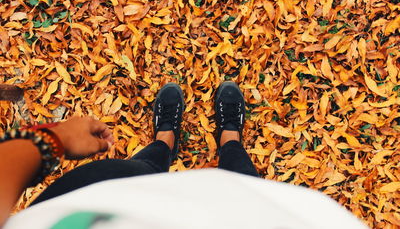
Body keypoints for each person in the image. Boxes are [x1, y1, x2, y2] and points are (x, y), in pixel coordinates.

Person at [0, 82, 367, 229]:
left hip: (92, 204)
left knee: (143, 169)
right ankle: (229, 139)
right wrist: (51, 140)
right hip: (247, 221)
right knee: (238, 183)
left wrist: (54, 140)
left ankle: (165, 140)